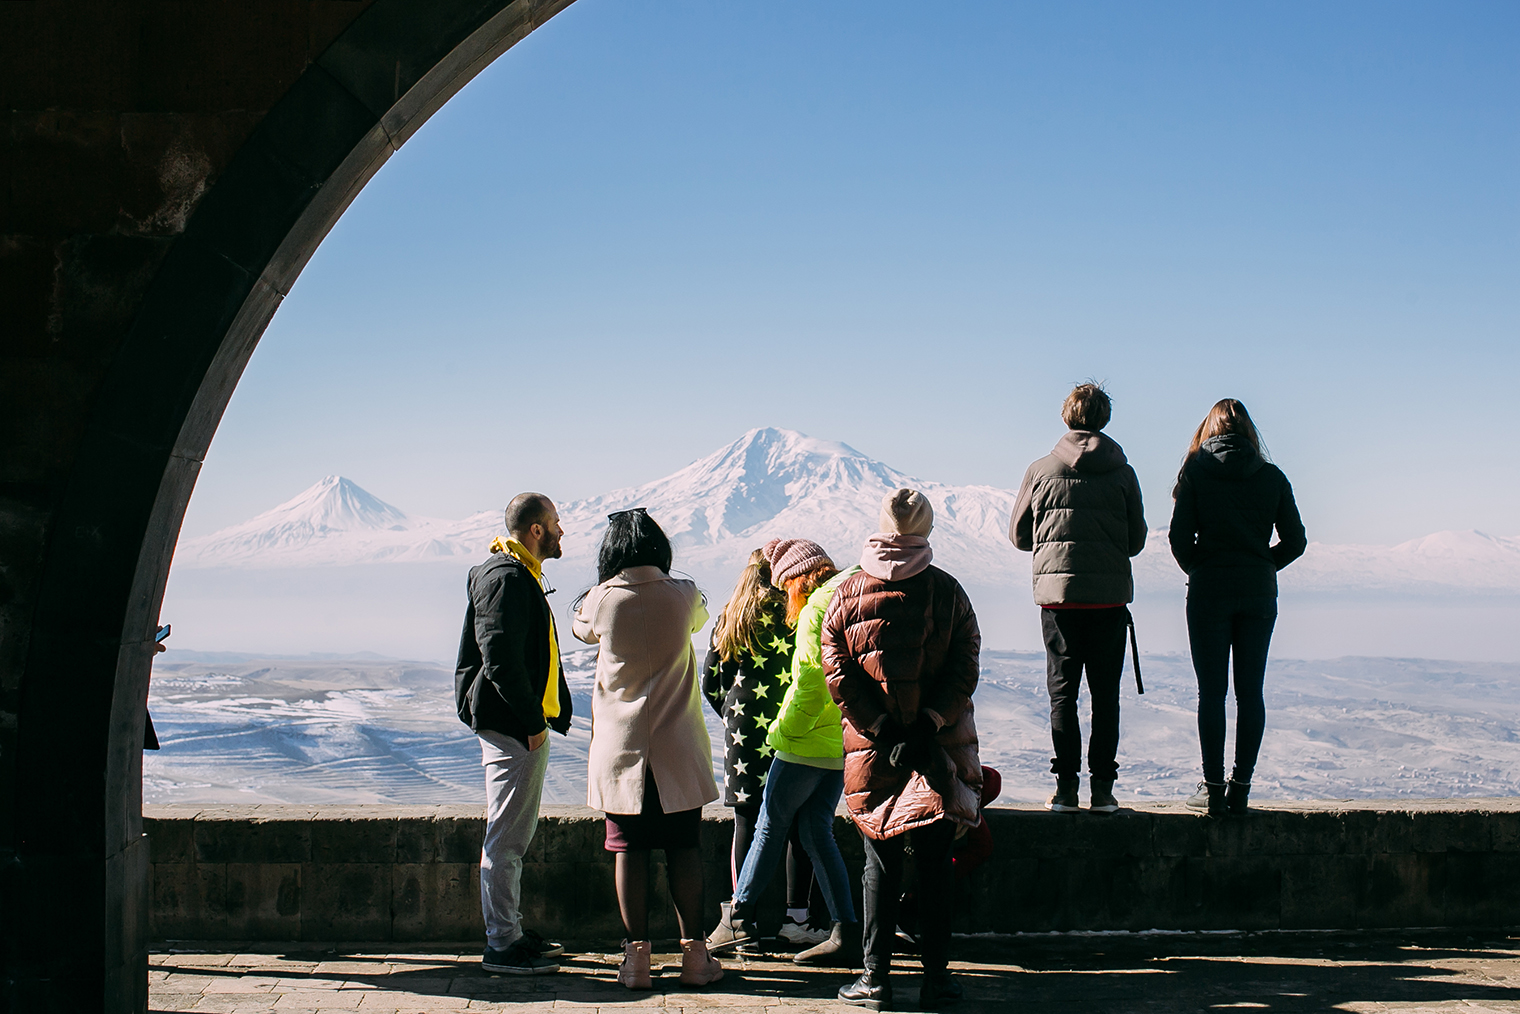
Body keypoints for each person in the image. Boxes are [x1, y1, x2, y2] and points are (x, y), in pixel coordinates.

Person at [823, 489, 983, 1011]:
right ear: (928, 531)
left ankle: (875, 978)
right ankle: (937, 978)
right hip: (936, 750)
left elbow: (839, 675)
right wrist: (930, 723)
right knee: (936, 862)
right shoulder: (947, 591)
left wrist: (882, 728)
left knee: (879, 860)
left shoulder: (845, 595)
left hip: (874, 751)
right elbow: (965, 667)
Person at [571, 507, 724, 989]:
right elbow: (700, 619)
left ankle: (636, 962)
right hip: (677, 746)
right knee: (684, 848)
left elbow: (581, 630)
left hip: (623, 749)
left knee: (629, 850)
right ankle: (696, 959)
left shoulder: (602, 600)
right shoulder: (683, 595)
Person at [706, 538, 863, 967]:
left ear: (796, 580)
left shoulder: (815, 609)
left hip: (803, 743)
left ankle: (737, 918)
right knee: (816, 832)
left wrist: (780, 733)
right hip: (839, 743)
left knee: (768, 826)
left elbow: (812, 682)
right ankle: (846, 928)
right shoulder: (853, 596)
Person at [1009, 382, 1147, 814]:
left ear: (1067, 417)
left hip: (1059, 603)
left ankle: (1066, 789)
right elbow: (1137, 540)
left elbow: (1019, 535)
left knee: (1063, 695)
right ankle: (1103, 790)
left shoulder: (1040, 470)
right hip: (1108, 602)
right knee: (1106, 697)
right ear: (1104, 418)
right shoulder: (1123, 473)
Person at [455, 492, 573, 975]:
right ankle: (502, 944)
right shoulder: (506, 577)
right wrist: (531, 726)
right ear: (537, 530)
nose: (563, 532)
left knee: (510, 838)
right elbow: (500, 658)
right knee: (506, 840)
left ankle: (511, 932)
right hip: (514, 728)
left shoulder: (514, 571)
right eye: (557, 524)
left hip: (517, 725)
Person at [1170, 399, 1306, 816]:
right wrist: (1263, 566)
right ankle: (1240, 790)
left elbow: (1178, 538)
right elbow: (1295, 541)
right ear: (1249, 431)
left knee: (1211, 692)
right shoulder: (1271, 477)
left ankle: (1211, 791)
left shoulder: (1194, 473)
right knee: (1251, 692)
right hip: (1258, 594)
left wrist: (1202, 568)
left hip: (1209, 592)